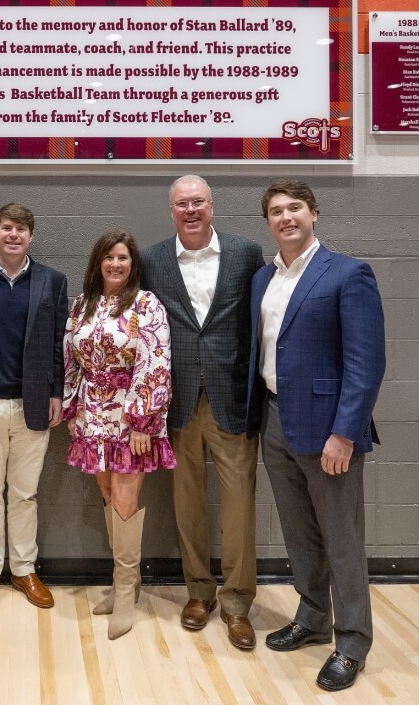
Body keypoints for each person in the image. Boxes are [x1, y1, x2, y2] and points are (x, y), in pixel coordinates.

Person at [246, 179, 386, 692]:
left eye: (296, 208)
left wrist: (345, 433)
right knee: (299, 532)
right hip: (276, 420)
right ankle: (312, 618)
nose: (287, 218)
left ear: (315, 214)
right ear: (268, 222)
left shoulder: (348, 274)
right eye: (277, 211)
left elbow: (366, 362)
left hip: (328, 430)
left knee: (342, 538)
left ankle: (352, 643)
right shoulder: (265, 279)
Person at [140, 175, 265, 650]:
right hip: (177, 400)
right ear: (171, 210)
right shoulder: (152, 259)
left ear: (212, 206)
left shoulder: (246, 253)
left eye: (198, 202)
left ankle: (236, 604)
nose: (190, 210)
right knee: (187, 502)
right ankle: (199, 592)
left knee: (238, 507)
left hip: (231, 399)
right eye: (181, 204)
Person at [63, 229, 175, 640]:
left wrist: (144, 420)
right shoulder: (82, 305)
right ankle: (122, 583)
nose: (115, 264)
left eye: (123, 258)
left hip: (132, 417)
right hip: (93, 415)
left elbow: (157, 362)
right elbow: (70, 358)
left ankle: (126, 592)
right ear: (98, 262)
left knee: (127, 498)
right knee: (109, 495)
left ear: (133, 264)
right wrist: (72, 407)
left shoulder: (147, 305)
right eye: (109, 257)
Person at [0, 203, 68, 614]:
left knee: (24, 495)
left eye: (21, 229)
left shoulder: (52, 281)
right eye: (7, 228)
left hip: (34, 406)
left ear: (31, 236)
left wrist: (57, 392)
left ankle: (23, 569)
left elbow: (61, 342)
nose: (13, 235)